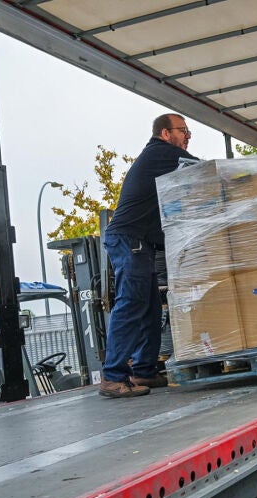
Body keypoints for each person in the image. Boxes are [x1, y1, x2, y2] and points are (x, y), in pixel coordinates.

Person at [101, 113, 198, 398]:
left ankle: (143, 370)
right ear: (165, 134)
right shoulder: (161, 153)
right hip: (129, 240)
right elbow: (204, 171)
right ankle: (113, 377)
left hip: (139, 242)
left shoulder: (164, 159)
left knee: (152, 309)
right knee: (131, 304)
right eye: (183, 131)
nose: (187, 136)